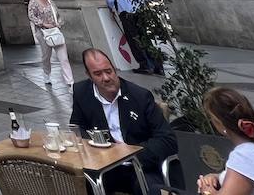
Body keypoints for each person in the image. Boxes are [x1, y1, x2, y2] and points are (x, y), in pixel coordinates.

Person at [70, 48, 176, 195]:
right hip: (104, 166)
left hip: (139, 165)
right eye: (98, 74)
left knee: (150, 189)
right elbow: (76, 129)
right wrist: (97, 147)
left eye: (108, 71)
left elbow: (168, 140)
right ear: (89, 76)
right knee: (74, 184)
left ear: (115, 69)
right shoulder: (81, 92)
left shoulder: (140, 96)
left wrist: (129, 152)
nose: (106, 78)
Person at [197, 87, 254, 195]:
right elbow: (241, 176)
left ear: (219, 123)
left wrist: (206, 190)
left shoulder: (244, 156)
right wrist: (216, 177)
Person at [102, 0, 158, 74]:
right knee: (144, 36)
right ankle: (157, 64)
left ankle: (144, 64)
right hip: (136, 10)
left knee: (133, 39)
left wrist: (111, 9)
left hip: (125, 11)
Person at [27, 0, 72, 87]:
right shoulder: (33, 1)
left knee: (64, 58)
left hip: (55, 31)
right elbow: (31, 16)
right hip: (43, 33)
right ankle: (46, 74)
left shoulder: (51, 2)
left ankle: (70, 81)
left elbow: (59, 15)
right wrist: (43, 24)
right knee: (46, 56)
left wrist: (58, 23)